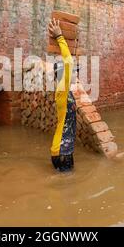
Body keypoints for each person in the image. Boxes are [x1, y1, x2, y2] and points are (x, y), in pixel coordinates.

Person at [48, 18, 77, 172]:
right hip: (61, 152)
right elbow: (68, 63)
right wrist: (60, 37)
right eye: (73, 73)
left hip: (65, 150)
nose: (74, 74)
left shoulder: (67, 92)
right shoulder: (62, 91)